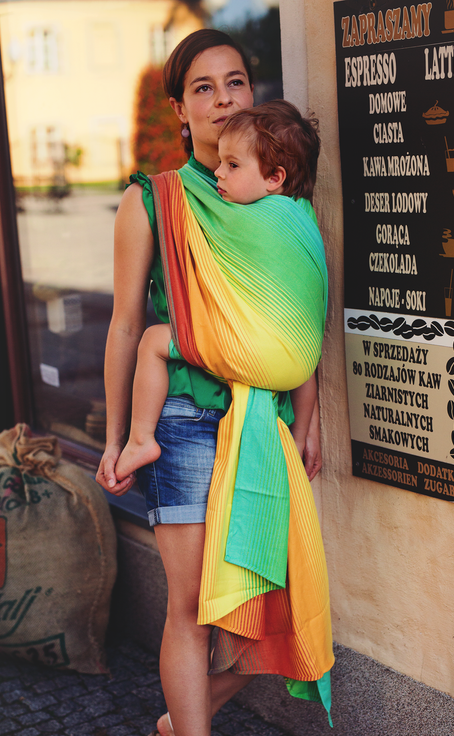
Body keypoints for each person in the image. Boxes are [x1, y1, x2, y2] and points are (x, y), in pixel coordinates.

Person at [96, 30, 333, 736]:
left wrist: (308, 411)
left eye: (236, 81)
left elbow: (290, 310)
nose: (224, 98)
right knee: (194, 611)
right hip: (187, 429)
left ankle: (177, 721)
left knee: (265, 610)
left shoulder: (270, 192)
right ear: (179, 109)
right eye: (203, 88)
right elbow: (129, 325)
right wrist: (123, 431)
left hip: (259, 423)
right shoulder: (153, 201)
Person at [114, 100, 321, 483]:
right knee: (300, 338)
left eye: (232, 165)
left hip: (257, 356)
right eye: (221, 163)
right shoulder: (303, 213)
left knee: (154, 341)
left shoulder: (237, 216)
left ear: (274, 177)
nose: (218, 175)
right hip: (297, 366)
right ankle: (297, 438)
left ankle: (141, 439)